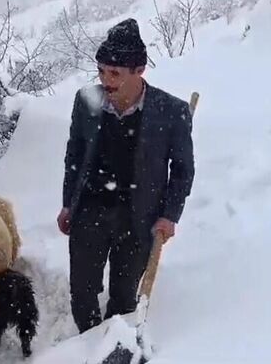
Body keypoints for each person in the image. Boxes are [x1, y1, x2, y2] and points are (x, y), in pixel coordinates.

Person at [56, 18, 195, 334]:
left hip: (138, 218)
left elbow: (183, 170)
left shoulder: (171, 111)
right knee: (82, 293)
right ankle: (87, 345)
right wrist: (68, 204)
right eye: (101, 71)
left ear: (139, 70)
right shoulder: (86, 101)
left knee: (123, 297)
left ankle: (113, 346)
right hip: (89, 212)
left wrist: (169, 215)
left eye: (115, 73)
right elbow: (74, 156)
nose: (106, 80)